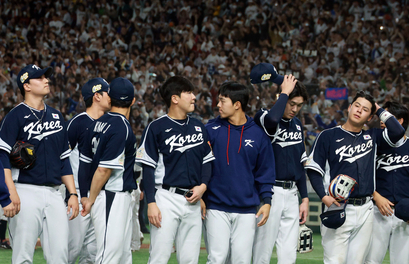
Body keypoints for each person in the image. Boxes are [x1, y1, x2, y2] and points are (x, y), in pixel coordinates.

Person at [305, 91, 405, 264]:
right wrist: (323, 196)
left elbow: (398, 131)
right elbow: (314, 170)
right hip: (337, 206)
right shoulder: (328, 136)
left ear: (369, 117)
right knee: (334, 261)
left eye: (365, 109)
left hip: (365, 209)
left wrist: (379, 109)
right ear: (349, 107)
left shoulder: (373, 137)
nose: (359, 110)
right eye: (357, 106)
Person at [0, 64, 79, 263]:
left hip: (54, 193)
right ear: (26, 85)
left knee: (60, 255)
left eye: (46, 77)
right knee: (23, 256)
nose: (46, 80)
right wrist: (9, 192)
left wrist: (72, 193)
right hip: (25, 190)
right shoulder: (15, 116)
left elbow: (64, 158)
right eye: (40, 78)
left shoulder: (56, 116)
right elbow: (2, 157)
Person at [136, 76, 214, 264]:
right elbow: (148, 168)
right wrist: (151, 203)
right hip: (166, 199)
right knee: (159, 258)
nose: (194, 97)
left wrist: (203, 188)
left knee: (190, 259)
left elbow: (207, 161)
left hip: (193, 200)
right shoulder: (156, 127)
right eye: (189, 92)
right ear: (175, 98)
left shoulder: (198, 126)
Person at [203, 82, 275, 264]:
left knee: (242, 261)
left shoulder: (258, 134)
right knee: (216, 259)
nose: (218, 105)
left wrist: (267, 201)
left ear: (237, 104)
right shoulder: (210, 130)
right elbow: (199, 167)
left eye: (222, 100)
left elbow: (265, 171)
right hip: (216, 207)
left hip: (247, 210)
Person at [366, 101, 409, 264]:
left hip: (404, 214)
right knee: (370, 261)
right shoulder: (373, 144)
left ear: (400, 121)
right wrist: (376, 197)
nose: (382, 120)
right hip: (377, 211)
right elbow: (363, 176)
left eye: (387, 116)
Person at [252, 75, 309, 264]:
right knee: (262, 251)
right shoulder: (262, 116)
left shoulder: (298, 125)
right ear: (281, 98)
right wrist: (283, 92)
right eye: (291, 103)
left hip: (292, 193)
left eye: (299, 105)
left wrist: (305, 198)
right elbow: (273, 120)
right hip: (270, 192)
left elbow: (300, 164)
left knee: (288, 255)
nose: (295, 109)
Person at [80, 77, 137, 264]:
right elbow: (104, 170)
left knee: (121, 255)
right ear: (133, 101)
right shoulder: (121, 126)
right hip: (111, 195)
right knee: (108, 256)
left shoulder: (97, 122)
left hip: (109, 195)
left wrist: (88, 194)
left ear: (110, 98)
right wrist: (91, 199)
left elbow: (86, 162)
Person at [66, 77, 110, 264]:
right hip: (77, 195)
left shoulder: (110, 123)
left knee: (93, 252)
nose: (112, 97)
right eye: (108, 92)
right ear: (97, 96)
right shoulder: (78, 123)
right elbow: (63, 159)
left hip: (100, 195)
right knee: (71, 248)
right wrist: (72, 193)